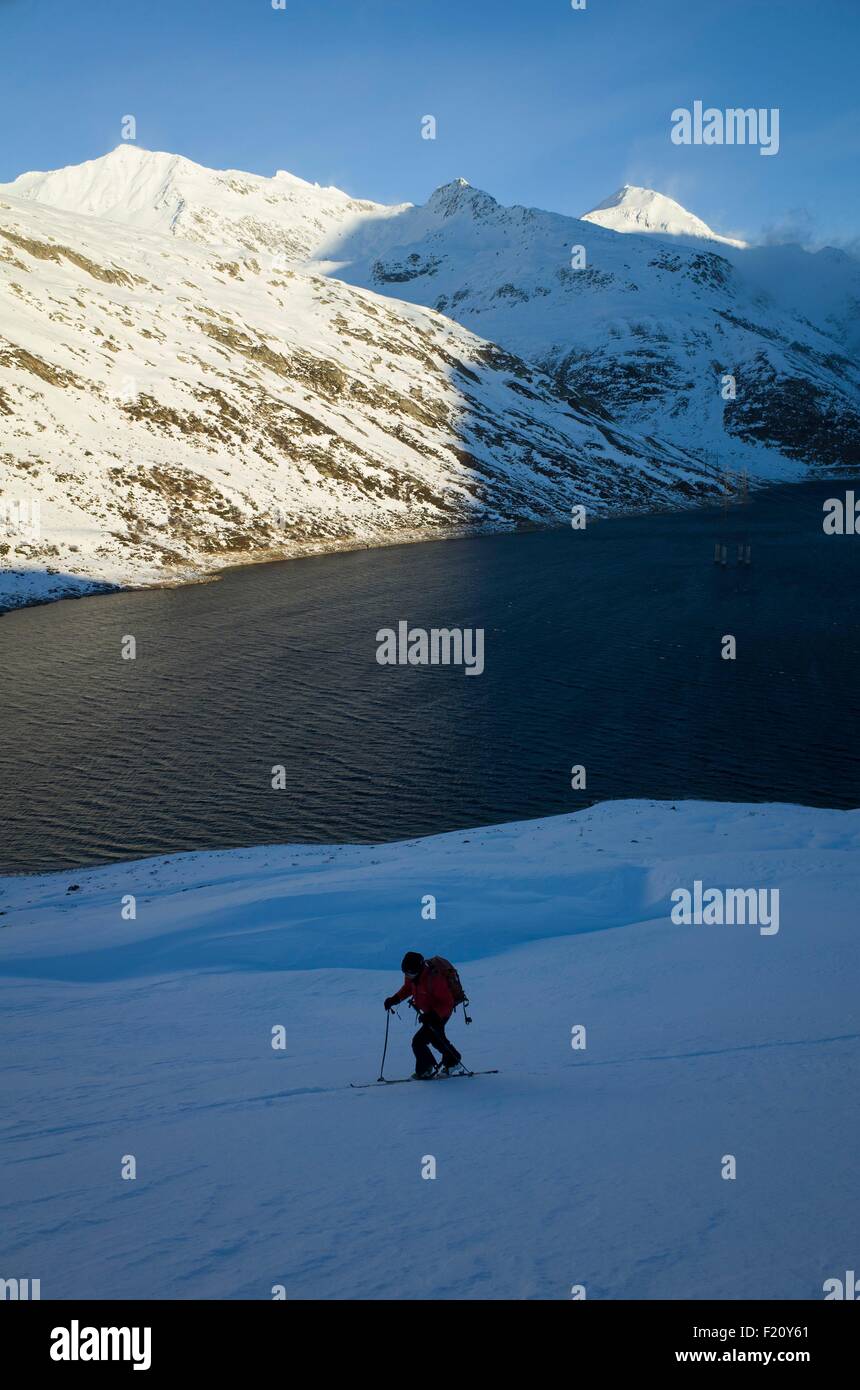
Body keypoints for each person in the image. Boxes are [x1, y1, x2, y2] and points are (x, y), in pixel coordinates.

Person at [384, 951, 465, 1079]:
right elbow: (408, 988)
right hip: (430, 1013)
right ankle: (448, 1062)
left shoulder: (435, 978)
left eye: (410, 973)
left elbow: (447, 1003)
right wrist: (394, 999)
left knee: (419, 1041)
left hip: (440, 1013)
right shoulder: (413, 976)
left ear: (419, 969)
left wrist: (433, 1015)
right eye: (405, 973)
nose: (408, 976)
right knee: (435, 1038)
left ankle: (431, 1068)